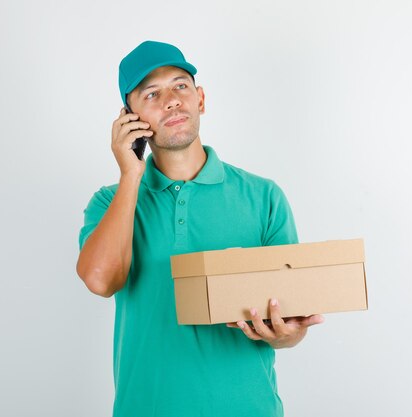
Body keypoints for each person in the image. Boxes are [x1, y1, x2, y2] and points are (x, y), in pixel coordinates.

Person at [76, 40, 324, 417]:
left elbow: (290, 319)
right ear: (129, 118)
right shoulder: (109, 203)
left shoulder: (263, 197)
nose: (172, 100)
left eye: (180, 86)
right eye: (152, 94)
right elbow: (99, 280)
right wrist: (131, 175)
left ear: (200, 99)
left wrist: (290, 334)